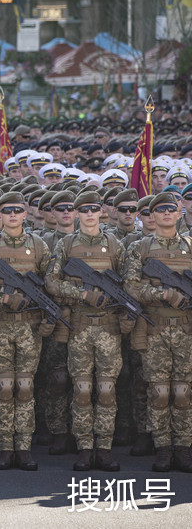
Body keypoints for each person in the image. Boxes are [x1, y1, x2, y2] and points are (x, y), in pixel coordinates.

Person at [0, 191, 52, 471]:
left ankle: (24, 448)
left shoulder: (39, 246)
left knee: (25, 387)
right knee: (4, 388)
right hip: (1, 324)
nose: (12, 215)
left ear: (25, 214)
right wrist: (1, 298)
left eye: (17, 210)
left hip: (29, 327)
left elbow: (50, 284)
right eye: (7, 211)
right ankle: (5, 446)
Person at [43, 191, 127, 472]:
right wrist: (83, 294)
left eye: (94, 208)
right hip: (79, 327)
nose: (90, 214)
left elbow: (128, 285)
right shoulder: (66, 245)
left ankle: (103, 448)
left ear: (101, 211)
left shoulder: (115, 245)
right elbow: (52, 283)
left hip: (108, 328)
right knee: (81, 390)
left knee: (106, 391)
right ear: (77, 213)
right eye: (84, 209)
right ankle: (84, 447)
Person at [122, 192, 192, 473]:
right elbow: (130, 287)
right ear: (152, 216)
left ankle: (184, 449)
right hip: (155, 330)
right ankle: (163, 448)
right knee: (159, 393)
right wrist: (163, 294)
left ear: (178, 214)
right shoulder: (140, 248)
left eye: (170, 209)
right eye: (159, 210)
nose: (165, 214)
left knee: (184, 393)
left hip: (186, 331)